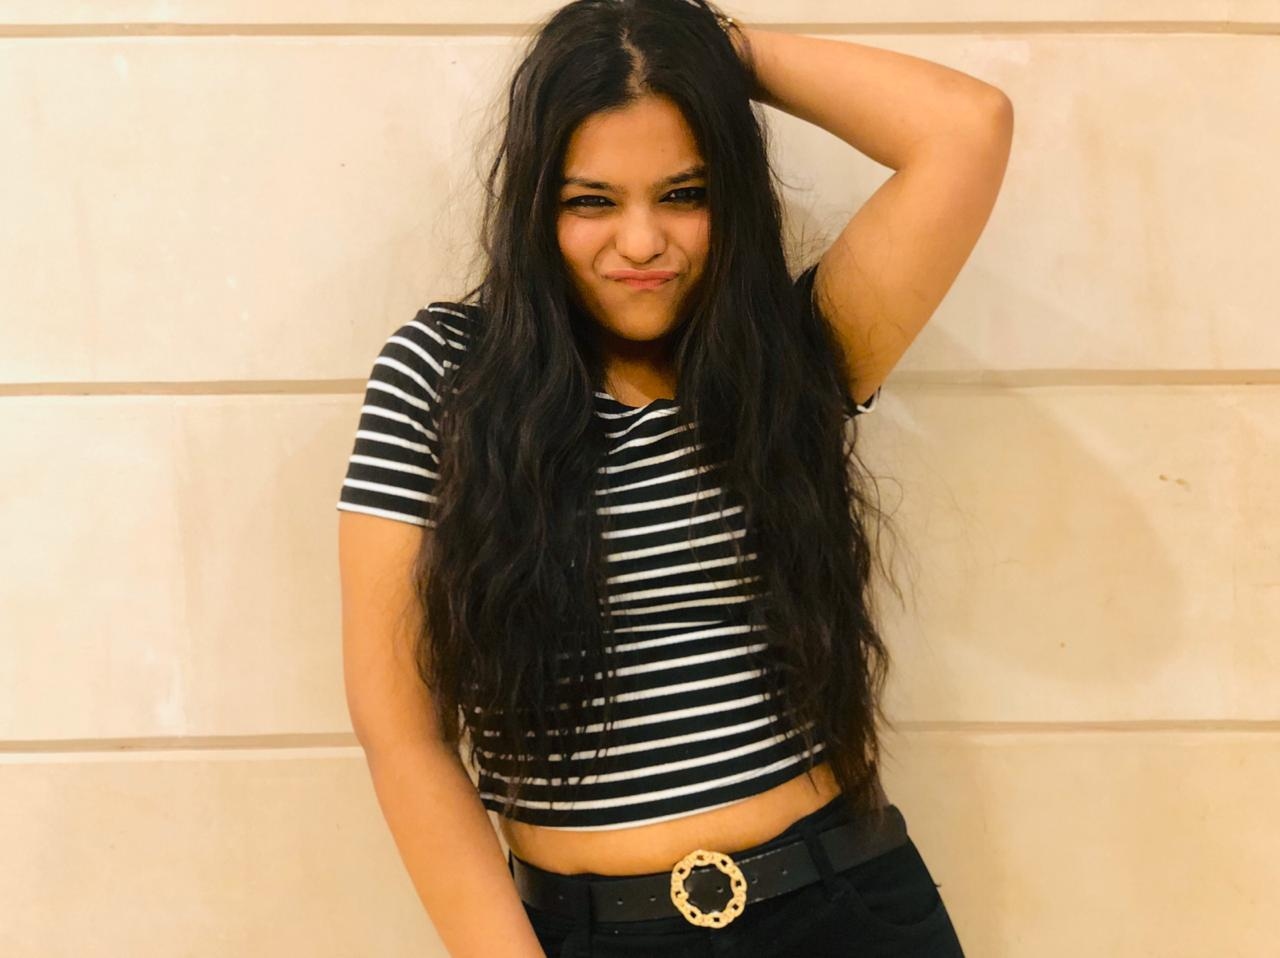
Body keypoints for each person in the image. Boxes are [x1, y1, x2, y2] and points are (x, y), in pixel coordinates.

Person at [337, 1, 1011, 955]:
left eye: (684, 194)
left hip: (846, 908)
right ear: (536, 207)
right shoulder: (446, 378)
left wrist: (701, 53)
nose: (642, 242)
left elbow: (967, 128)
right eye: (592, 201)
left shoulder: (791, 358)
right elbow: (402, 733)